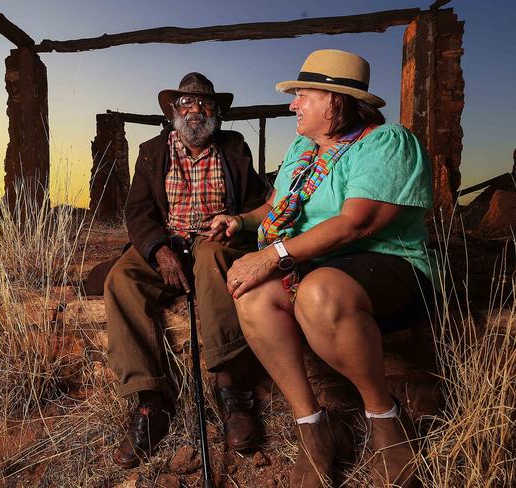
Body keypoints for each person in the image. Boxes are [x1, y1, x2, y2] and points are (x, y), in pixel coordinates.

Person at [209, 50, 437, 487]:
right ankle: (313, 429)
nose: (293, 104)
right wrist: (242, 221)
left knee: (318, 291)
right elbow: (276, 207)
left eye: (303, 95)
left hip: (389, 266)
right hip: (314, 265)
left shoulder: (386, 143)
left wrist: (271, 256)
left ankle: (385, 419)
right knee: (253, 295)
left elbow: (359, 223)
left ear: (336, 100)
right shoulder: (302, 150)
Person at [104, 72, 268, 468]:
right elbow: (137, 211)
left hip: (213, 238)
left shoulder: (233, 147)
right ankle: (150, 401)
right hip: (167, 241)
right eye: (187, 103)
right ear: (173, 112)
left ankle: (232, 390)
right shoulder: (152, 151)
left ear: (216, 113)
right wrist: (157, 248)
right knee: (120, 279)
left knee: (213, 260)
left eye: (205, 104)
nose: (196, 110)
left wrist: (236, 220)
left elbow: (256, 201)